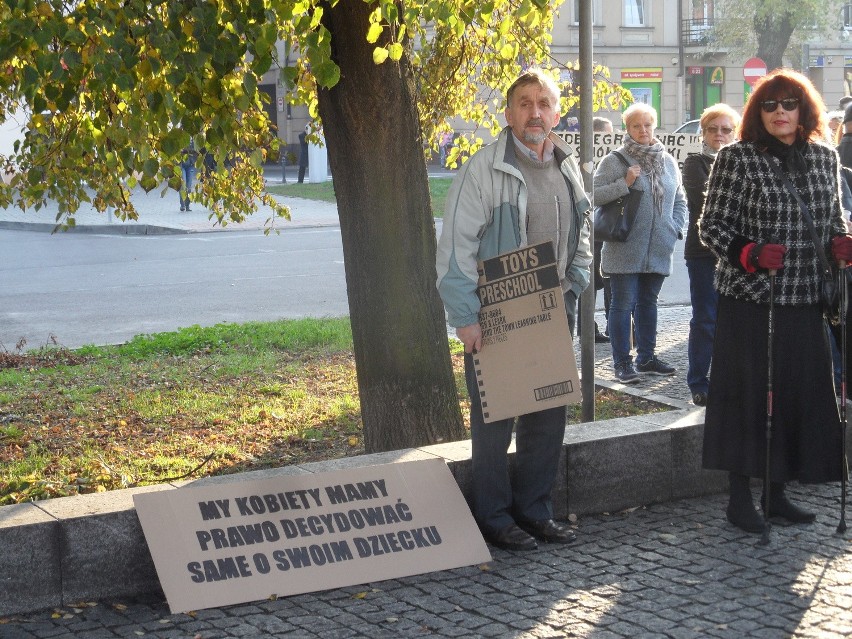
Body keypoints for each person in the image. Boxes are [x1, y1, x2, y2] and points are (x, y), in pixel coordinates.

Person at [435, 68, 592, 551]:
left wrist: (575, 286)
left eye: (544, 103)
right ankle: (495, 518)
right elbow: (455, 248)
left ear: (557, 113)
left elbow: (583, 231)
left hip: (551, 312)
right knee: (494, 420)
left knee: (546, 416)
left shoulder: (568, 166)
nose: (535, 112)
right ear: (508, 113)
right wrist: (465, 317)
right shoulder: (483, 169)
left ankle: (535, 511)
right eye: (524, 103)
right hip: (495, 315)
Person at [699, 68, 852, 533]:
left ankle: (778, 492)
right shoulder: (736, 159)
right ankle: (740, 497)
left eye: (789, 103)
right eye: (770, 104)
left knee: (793, 395)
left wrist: (841, 243)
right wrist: (747, 253)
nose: (780, 112)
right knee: (745, 398)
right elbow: (711, 227)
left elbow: (832, 220)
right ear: (757, 111)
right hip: (751, 300)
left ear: (804, 109)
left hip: (805, 298)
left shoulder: (825, 159)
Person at [593, 103, 687, 384]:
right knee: (622, 305)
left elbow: (679, 199)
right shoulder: (615, 161)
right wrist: (624, 182)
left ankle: (647, 357)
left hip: (659, 247)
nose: (643, 130)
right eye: (637, 126)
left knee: (648, 303)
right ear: (627, 129)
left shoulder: (667, 161)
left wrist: (675, 228)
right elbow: (593, 195)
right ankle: (622, 362)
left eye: (647, 124)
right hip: (624, 247)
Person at [681, 103, 740, 406]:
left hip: (738, 254)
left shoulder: (747, 163)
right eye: (713, 129)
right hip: (703, 252)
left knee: (735, 319)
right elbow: (703, 201)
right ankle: (698, 382)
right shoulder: (694, 163)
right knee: (705, 318)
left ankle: (730, 379)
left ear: (735, 132)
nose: (720, 134)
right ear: (703, 132)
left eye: (726, 129)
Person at [578, 116, 615, 343]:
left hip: (603, 225)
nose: (613, 139)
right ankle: (589, 328)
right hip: (593, 226)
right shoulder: (587, 161)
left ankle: (611, 328)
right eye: (609, 135)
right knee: (594, 280)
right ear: (598, 136)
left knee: (604, 279)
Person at [179, 138, 197, 212]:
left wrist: (188, 151)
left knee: (189, 186)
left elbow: (196, 150)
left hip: (190, 165)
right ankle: (182, 204)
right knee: (183, 185)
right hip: (181, 165)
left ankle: (187, 205)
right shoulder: (180, 137)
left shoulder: (193, 139)